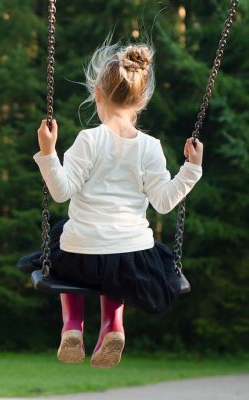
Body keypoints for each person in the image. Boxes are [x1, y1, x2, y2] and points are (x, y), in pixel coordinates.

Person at [27, 42, 203, 368]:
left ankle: (72, 326)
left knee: (63, 238)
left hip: (80, 255)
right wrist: (191, 169)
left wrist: (48, 152)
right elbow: (164, 203)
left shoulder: (88, 140)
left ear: (97, 92)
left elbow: (61, 192)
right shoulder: (151, 147)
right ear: (142, 100)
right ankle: (113, 325)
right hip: (131, 259)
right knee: (117, 259)